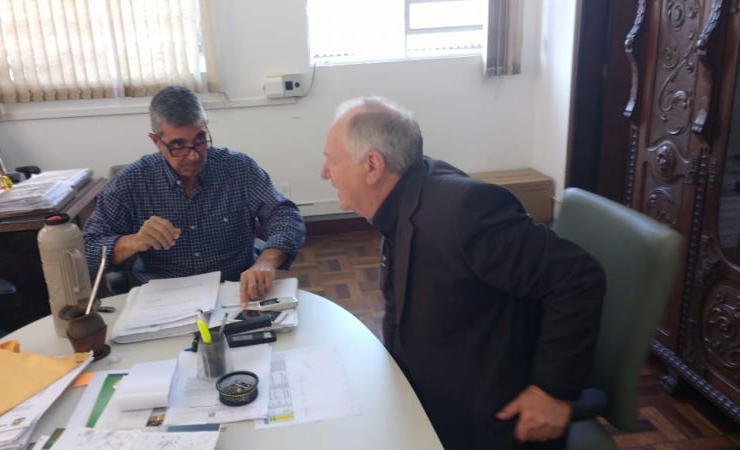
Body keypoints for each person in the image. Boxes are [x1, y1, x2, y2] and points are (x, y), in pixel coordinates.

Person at [320, 96, 605, 449]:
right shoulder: (408, 195)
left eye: (331, 160)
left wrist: (553, 392)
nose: (324, 172)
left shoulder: (464, 211)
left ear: (373, 166)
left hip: (486, 423)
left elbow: (577, 277)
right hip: (428, 392)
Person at [83, 86, 305, 303]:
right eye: (178, 145)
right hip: (163, 300)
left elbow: (284, 215)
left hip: (235, 293)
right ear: (156, 142)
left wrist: (267, 260)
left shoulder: (238, 168)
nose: (194, 156)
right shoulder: (131, 183)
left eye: (200, 139)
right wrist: (134, 241)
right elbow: (88, 249)